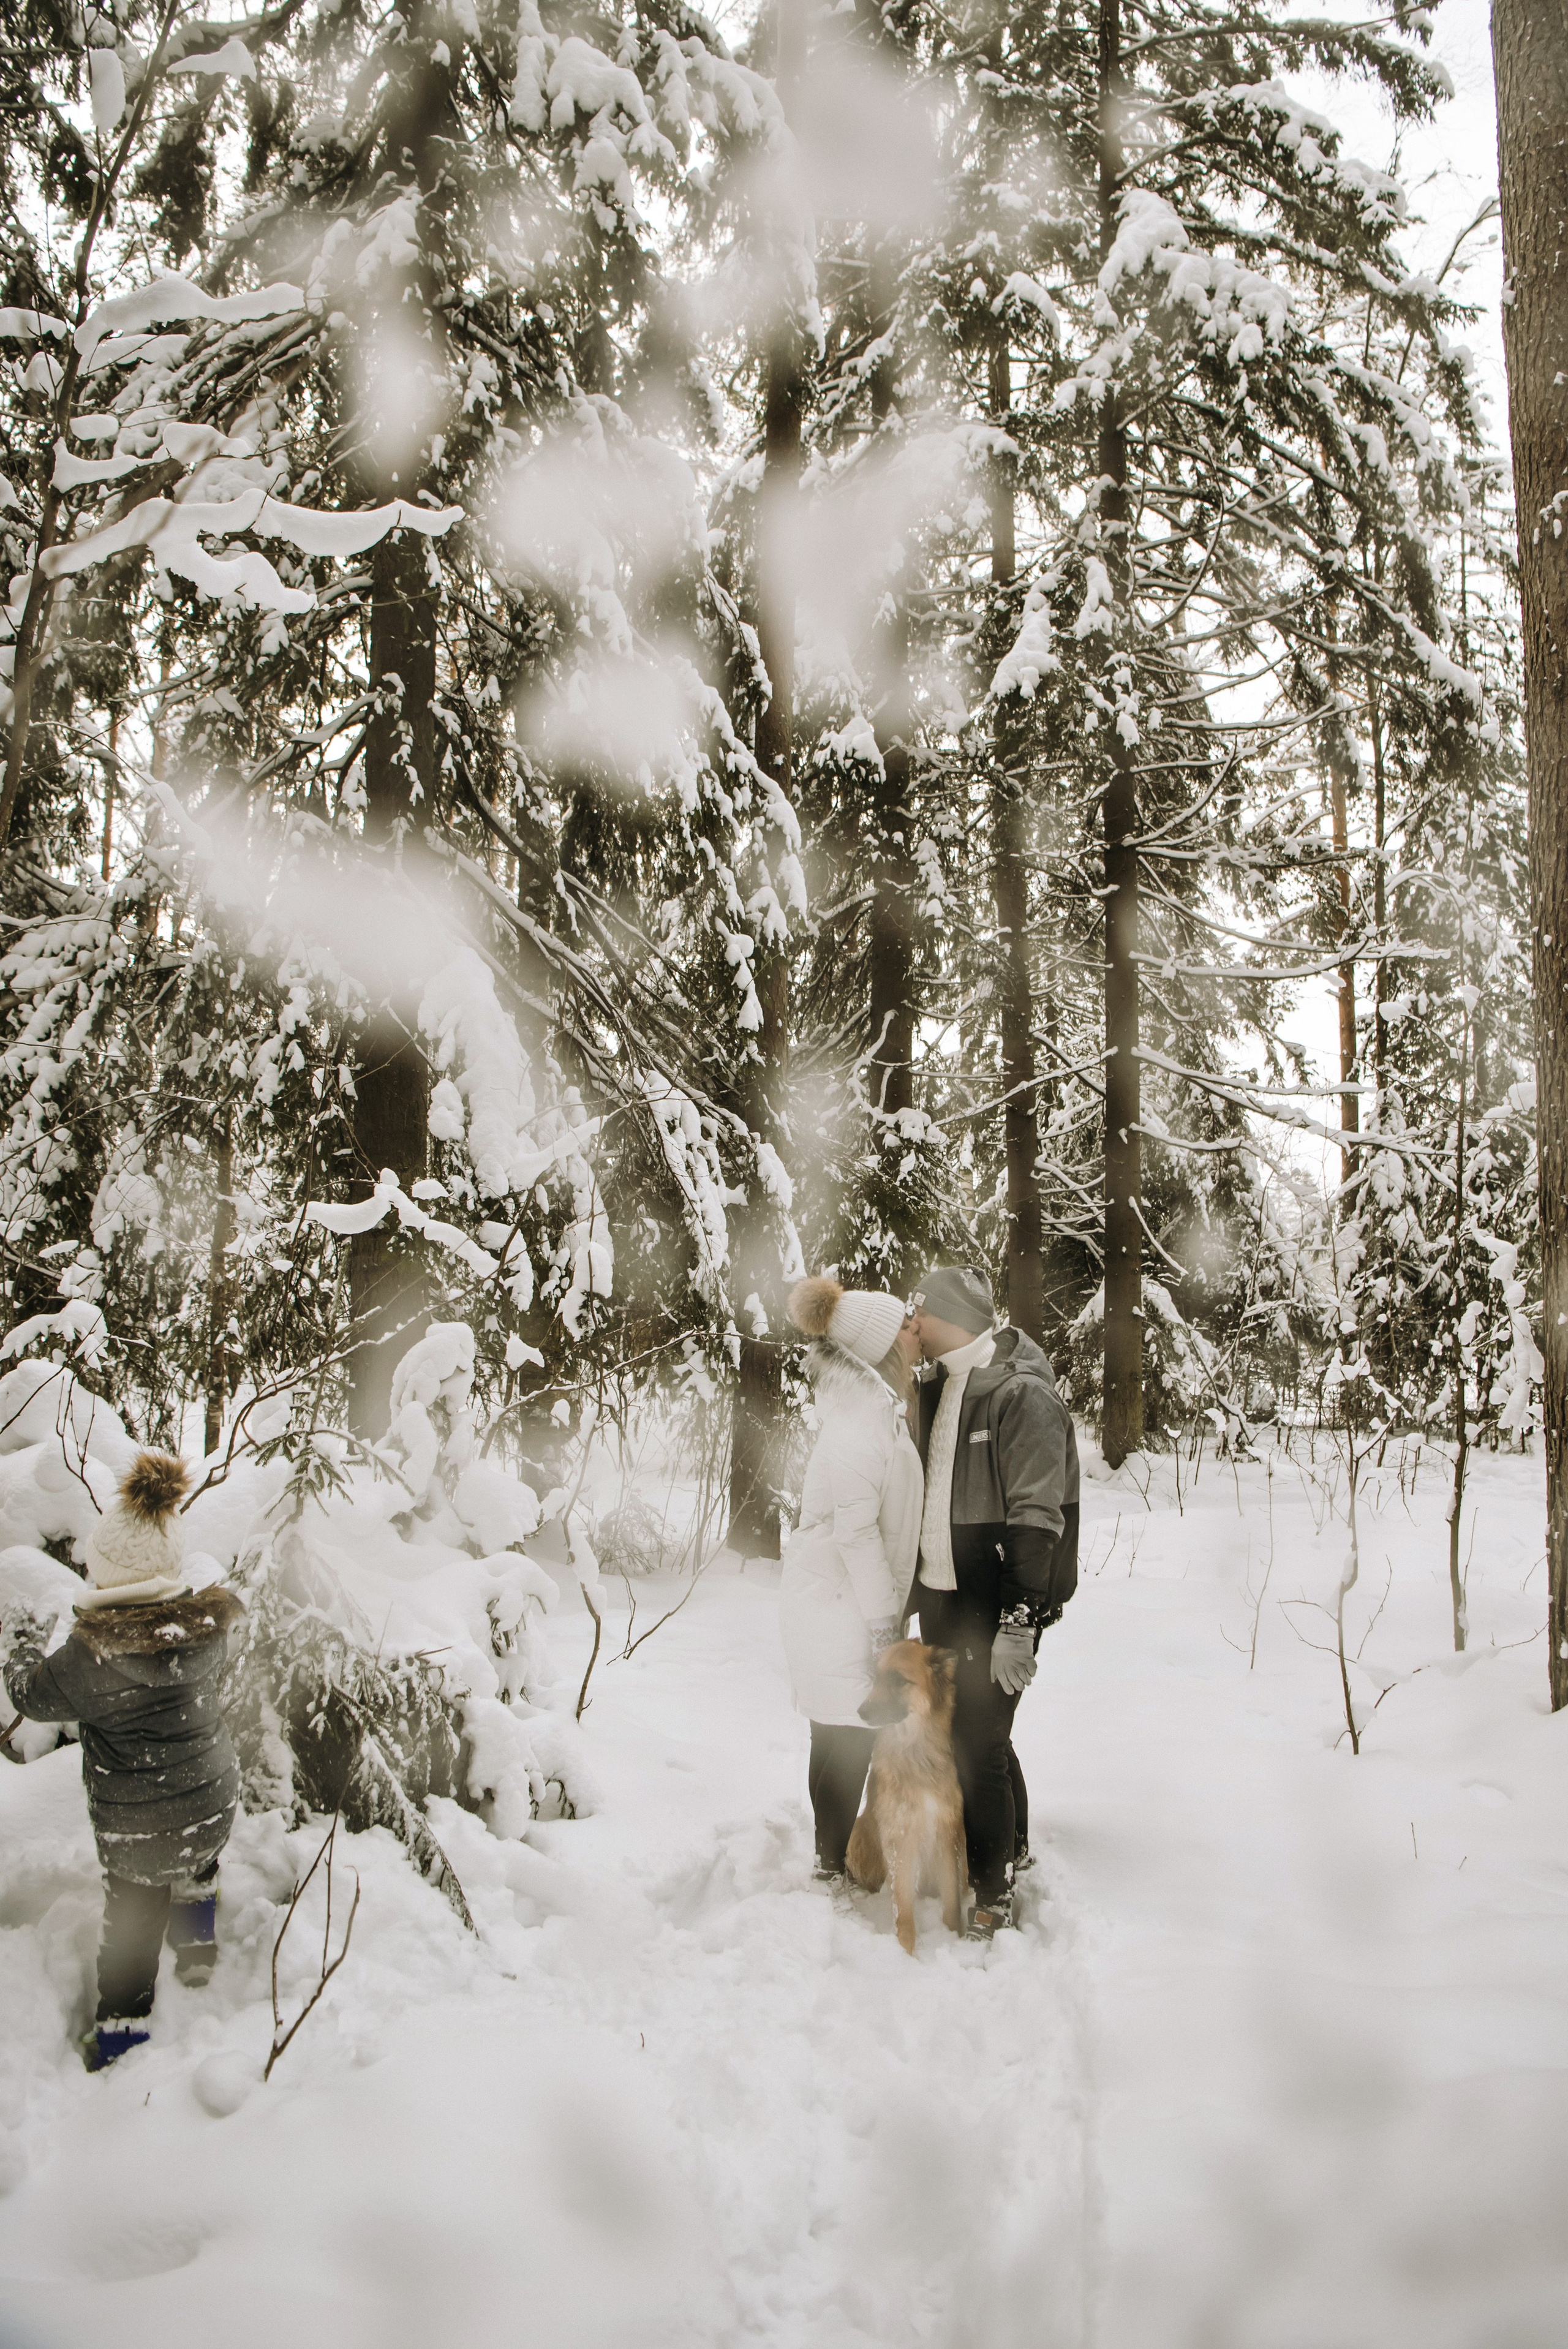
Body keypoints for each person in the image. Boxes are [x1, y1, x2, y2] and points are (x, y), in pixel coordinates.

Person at [1, 1450, 244, 2070]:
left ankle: (121, 2034)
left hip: (137, 1831)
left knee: (132, 1927)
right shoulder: (208, 1629)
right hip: (212, 1801)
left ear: (106, 1577)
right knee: (198, 1873)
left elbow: (30, 1692)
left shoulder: (90, 1659)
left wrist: (25, 1639)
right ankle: (196, 1956)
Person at [908, 1262, 1079, 1939]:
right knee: (972, 1735)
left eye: (916, 1312)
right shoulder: (936, 1384)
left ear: (946, 1313)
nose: (909, 1324)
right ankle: (1013, 1845)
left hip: (997, 1595)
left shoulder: (1020, 1394)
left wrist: (1018, 1620)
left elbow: (1037, 1514)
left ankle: (992, 1890)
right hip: (942, 1595)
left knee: (977, 1742)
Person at [778, 1276, 924, 1882]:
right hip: (843, 1605)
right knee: (848, 1737)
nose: (918, 1330)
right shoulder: (861, 1421)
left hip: (840, 1599)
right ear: (885, 1345)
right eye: (907, 1326)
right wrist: (882, 1625)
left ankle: (829, 1863)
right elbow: (857, 1534)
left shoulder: (873, 1410)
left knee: (838, 1733)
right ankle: (829, 1869)